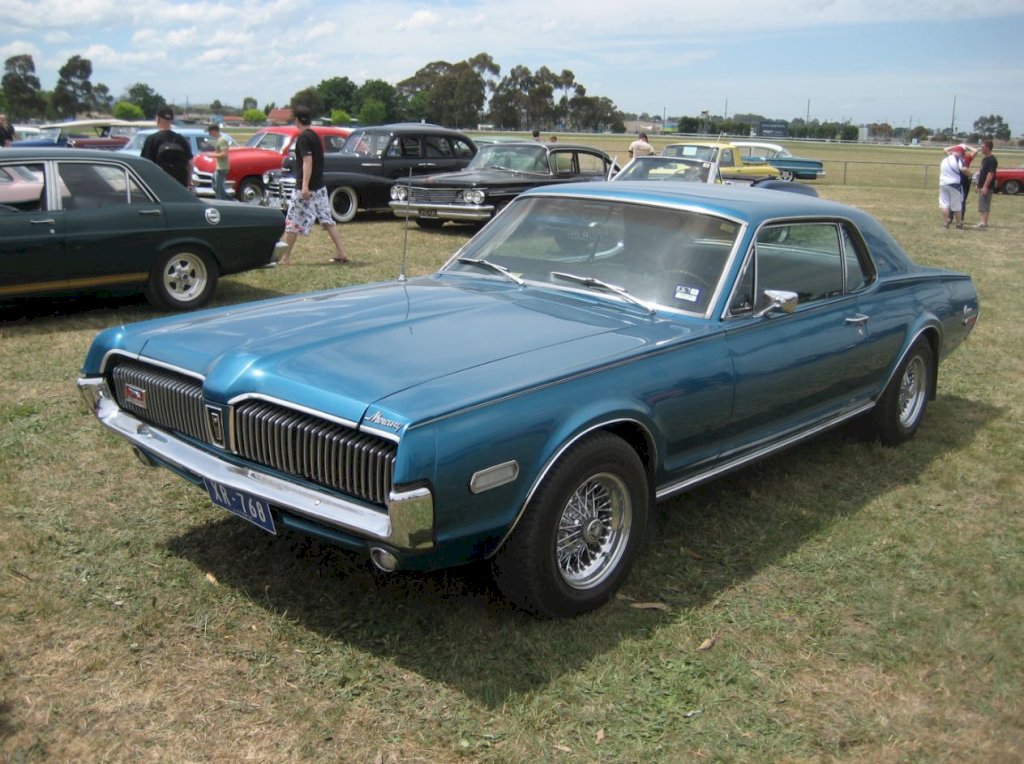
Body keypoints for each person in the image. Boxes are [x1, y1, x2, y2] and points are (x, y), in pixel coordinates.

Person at [281, 105, 347, 265]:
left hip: (307, 189)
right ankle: (341, 252)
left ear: (296, 120)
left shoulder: (303, 138)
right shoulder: (315, 136)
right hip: (320, 187)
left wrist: (304, 186)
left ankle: (285, 258)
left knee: (292, 221)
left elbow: (307, 161)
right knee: (327, 220)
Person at [141, 106, 193, 188]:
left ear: (157, 119)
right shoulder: (181, 139)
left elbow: (146, 164)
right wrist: (188, 181)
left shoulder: (151, 139)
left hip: (159, 185)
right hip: (180, 185)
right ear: (171, 120)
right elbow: (190, 163)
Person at [943, 143, 977, 226]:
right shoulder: (967, 157)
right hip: (964, 178)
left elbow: (945, 150)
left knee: (952, 199)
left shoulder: (952, 157)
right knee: (962, 199)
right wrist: (966, 146)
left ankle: (950, 217)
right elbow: (975, 151)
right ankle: (960, 219)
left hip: (955, 177)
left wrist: (956, 145)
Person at [938, 146, 966, 229]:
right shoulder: (958, 159)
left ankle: (945, 224)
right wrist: (970, 174)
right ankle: (958, 224)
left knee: (945, 205)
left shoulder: (944, 159)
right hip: (954, 184)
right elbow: (963, 169)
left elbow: (945, 150)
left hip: (943, 183)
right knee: (957, 205)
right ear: (959, 153)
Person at [975, 139, 997, 229]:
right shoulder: (984, 159)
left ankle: (983, 222)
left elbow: (990, 174)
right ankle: (983, 221)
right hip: (981, 185)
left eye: (983, 147)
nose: (981, 149)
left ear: (988, 148)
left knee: (984, 204)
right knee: (982, 204)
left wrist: (985, 186)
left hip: (987, 186)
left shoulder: (992, 160)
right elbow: (982, 172)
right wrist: (978, 184)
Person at [207, 123, 231, 200]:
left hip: (222, 168)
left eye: (210, 132)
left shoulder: (222, 140)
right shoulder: (219, 140)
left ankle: (225, 202)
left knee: (219, 189)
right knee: (215, 186)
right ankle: (225, 200)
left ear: (214, 131)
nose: (209, 134)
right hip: (219, 167)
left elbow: (224, 154)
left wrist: (212, 156)